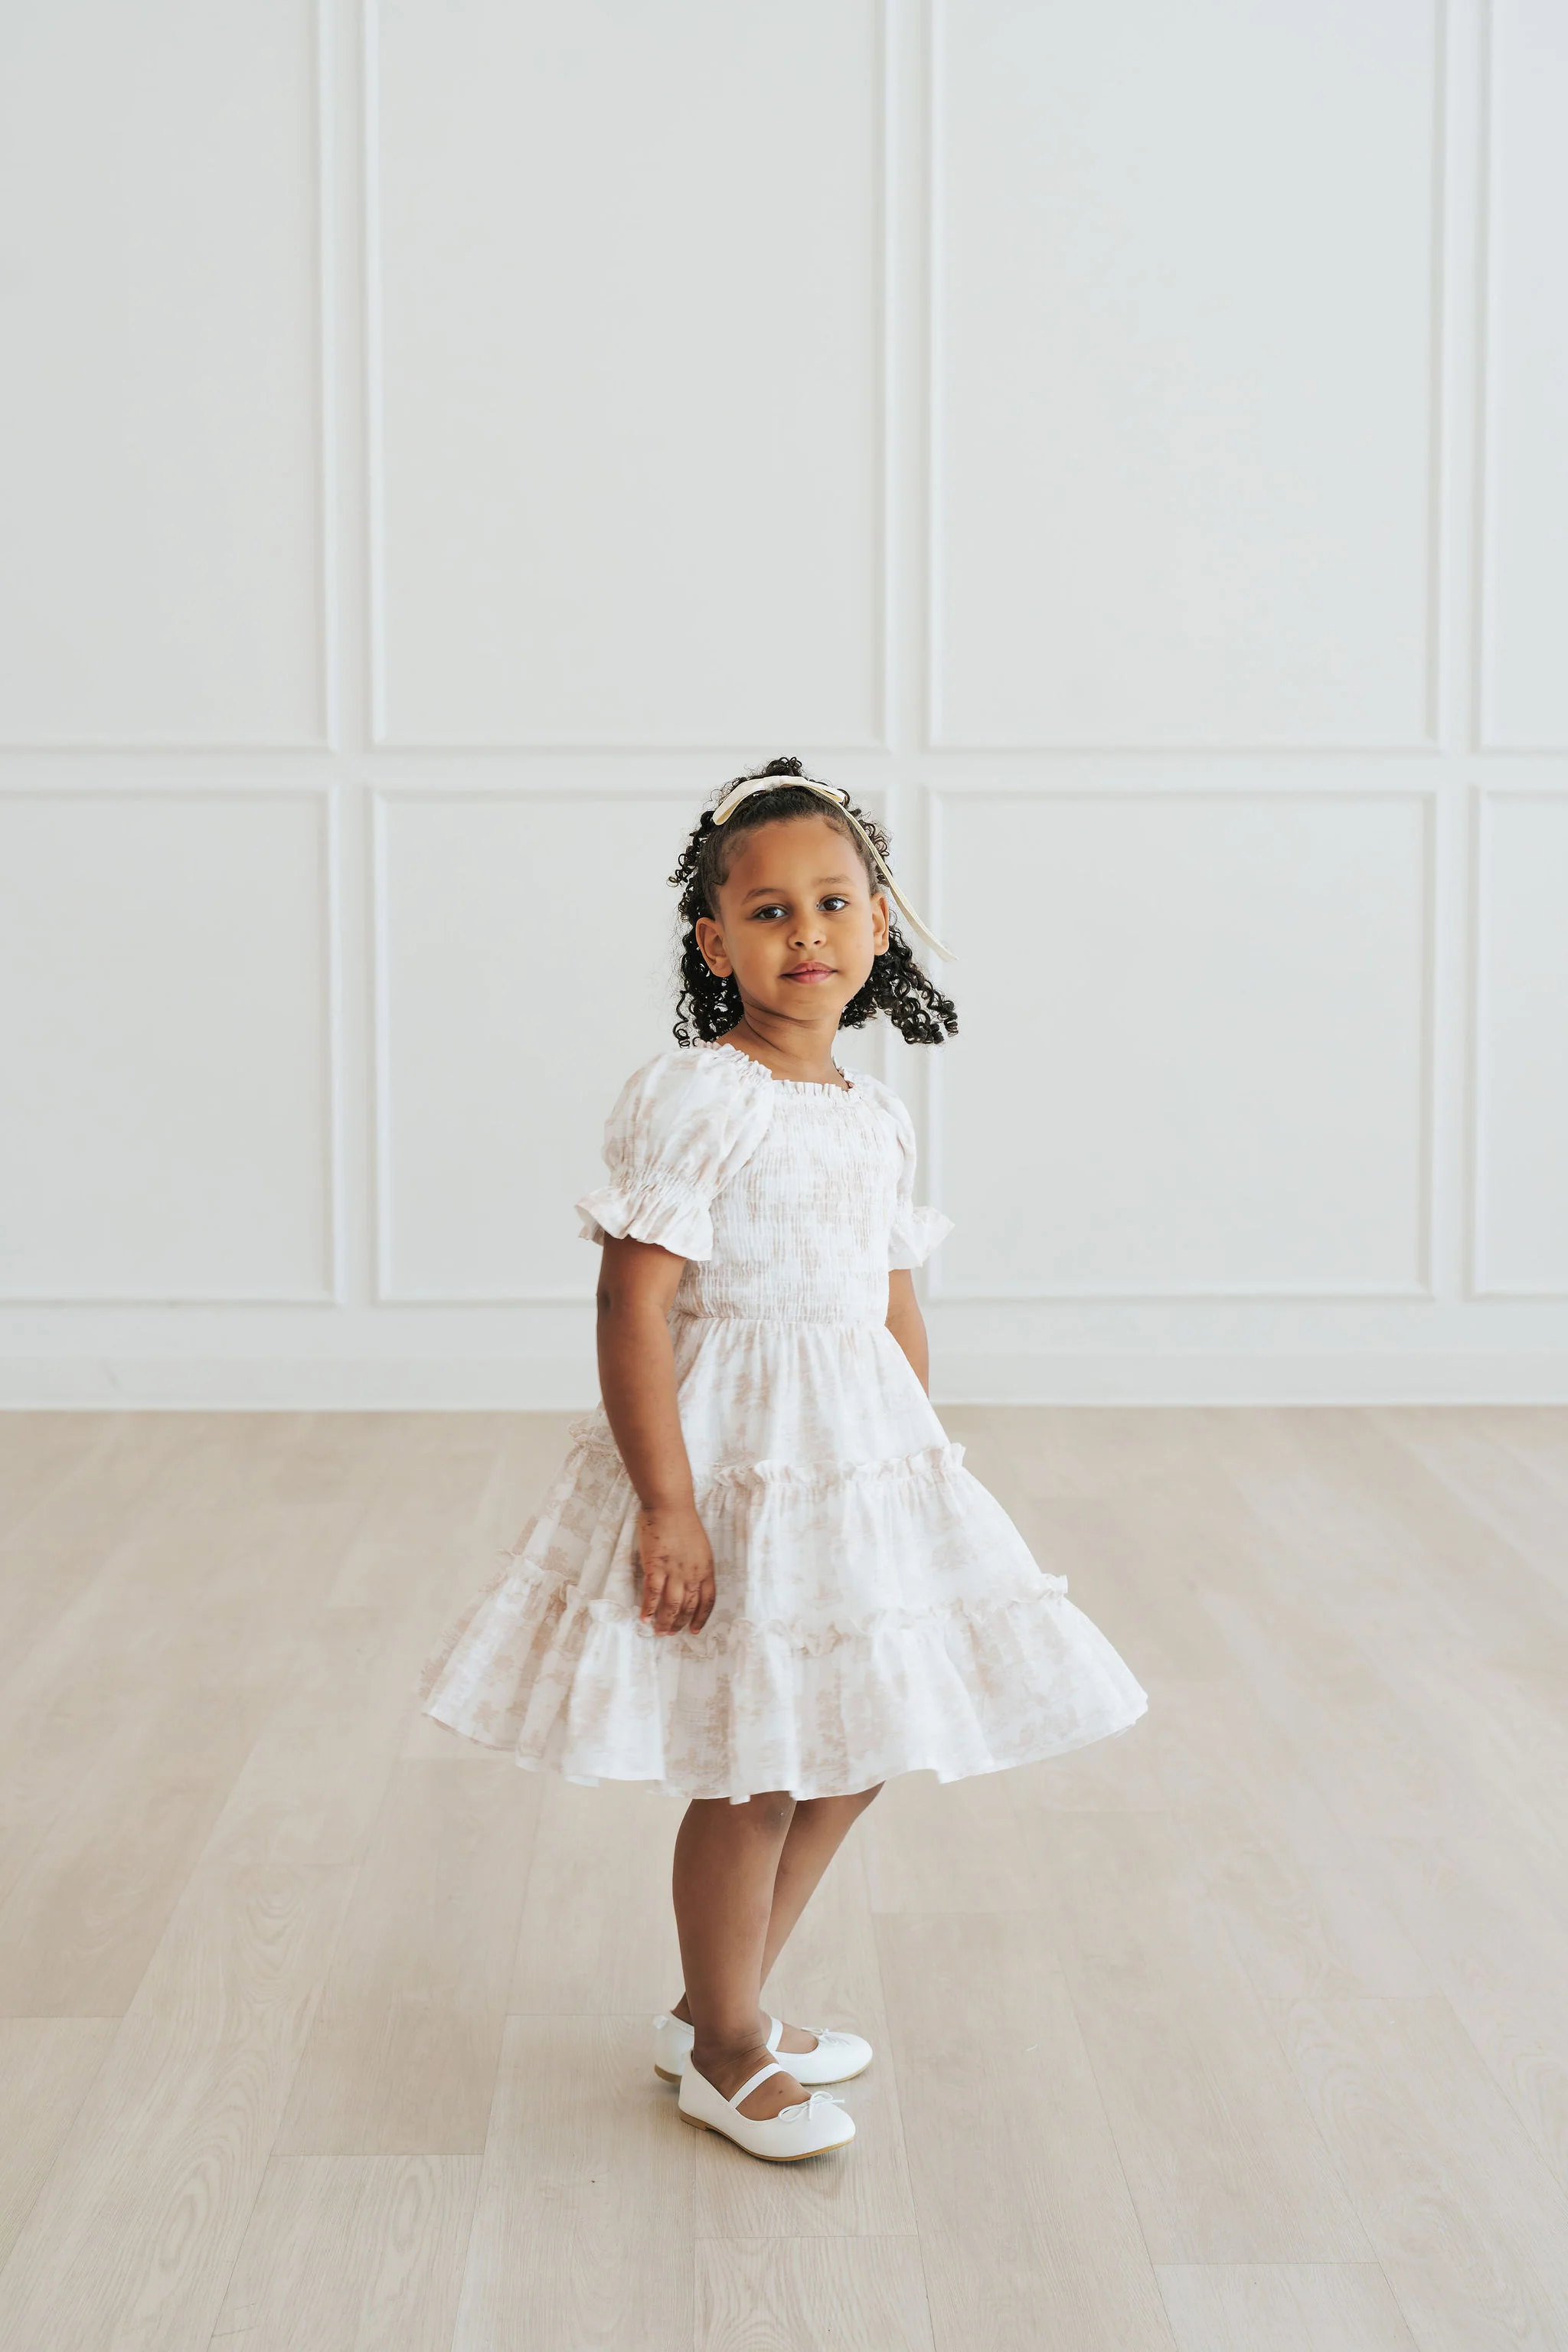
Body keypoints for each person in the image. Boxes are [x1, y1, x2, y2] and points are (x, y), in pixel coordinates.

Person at [419, 755, 1148, 2163]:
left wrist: (916, 1472)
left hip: (853, 1467)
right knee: (754, 1764)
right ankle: (727, 2048)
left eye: (833, 904)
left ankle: (719, 2004)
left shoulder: (874, 1113)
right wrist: (669, 1504)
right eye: (767, 912)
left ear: (879, 926)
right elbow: (632, 1303)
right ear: (715, 944)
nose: (805, 932)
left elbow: (890, 1302)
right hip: (735, 1460)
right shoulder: (703, 1097)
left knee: (856, 1742)